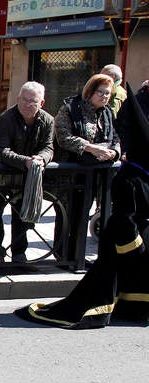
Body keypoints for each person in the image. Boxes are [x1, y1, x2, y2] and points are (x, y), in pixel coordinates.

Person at [15, 85, 149, 329]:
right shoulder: (128, 179)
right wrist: (135, 247)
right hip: (123, 239)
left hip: (140, 235)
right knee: (109, 278)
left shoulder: (143, 174)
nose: (105, 97)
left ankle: (136, 308)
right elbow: (124, 218)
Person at [53, 73, 120, 268]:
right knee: (69, 215)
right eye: (101, 92)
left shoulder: (107, 112)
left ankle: (80, 257)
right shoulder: (71, 108)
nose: (105, 97)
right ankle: (64, 257)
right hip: (72, 173)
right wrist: (91, 148)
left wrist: (113, 153)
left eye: (108, 93)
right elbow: (63, 137)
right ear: (90, 91)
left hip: (98, 174)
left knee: (84, 215)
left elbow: (115, 137)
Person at [0, 81, 53, 265]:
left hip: (26, 176)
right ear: (18, 99)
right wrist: (26, 161)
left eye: (33, 101)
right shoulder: (5, 118)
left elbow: (48, 147)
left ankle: (19, 254)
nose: (27, 104)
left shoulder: (47, 120)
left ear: (42, 103)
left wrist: (41, 158)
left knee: (21, 215)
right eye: (24, 100)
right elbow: (2, 151)